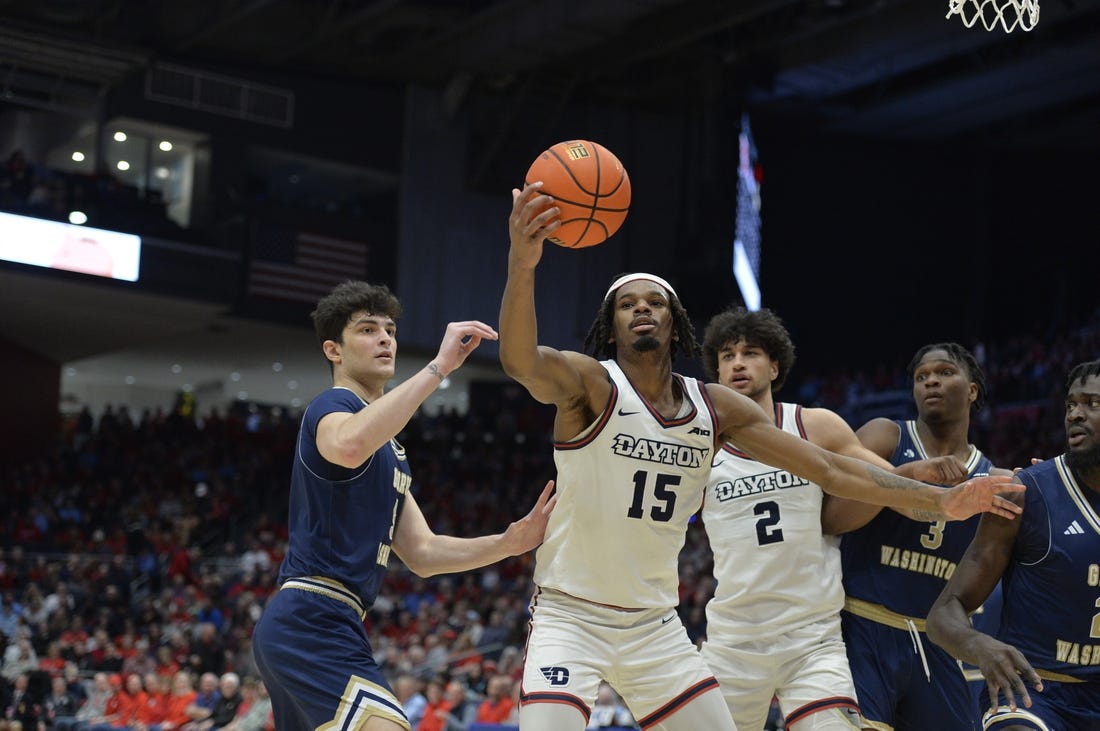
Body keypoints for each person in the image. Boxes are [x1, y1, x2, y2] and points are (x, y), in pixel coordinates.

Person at [502, 183, 1022, 731]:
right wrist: (523, 260)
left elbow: (832, 470)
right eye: (627, 306)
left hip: (661, 624)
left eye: (653, 302)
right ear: (610, 327)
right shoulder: (589, 382)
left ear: (676, 323)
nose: (641, 311)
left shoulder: (716, 409)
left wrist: (942, 500)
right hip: (578, 611)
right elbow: (519, 361)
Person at [251, 280, 556, 731]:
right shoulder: (333, 406)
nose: (385, 339)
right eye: (368, 330)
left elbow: (423, 554)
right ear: (334, 351)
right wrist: (440, 367)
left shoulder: (391, 449)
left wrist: (509, 543)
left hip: (335, 620)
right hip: (310, 616)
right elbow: (351, 444)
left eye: (390, 330)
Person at [696, 308, 975, 730]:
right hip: (734, 639)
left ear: (774, 366)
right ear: (716, 370)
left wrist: (941, 500)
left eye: (750, 353)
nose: (737, 363)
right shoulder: (700, 445)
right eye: (727, 355)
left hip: (813, 640)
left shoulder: (814, 426)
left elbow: (882, 487)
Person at [836, 343, 1013, 731]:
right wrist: (908, 475)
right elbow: (832, 518)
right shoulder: (886, 437)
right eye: (921, 377)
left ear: (972, 390)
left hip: (937, 644)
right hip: (864, 629)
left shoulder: (992, 477)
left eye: (945, 372)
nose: (931, 379)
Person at [927, 359, 1100, 731]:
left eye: (1092, 404)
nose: (1075, 415)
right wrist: (979, 646)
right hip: (1034, 693)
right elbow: (943, 613)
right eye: (1071, 404)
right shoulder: (1026, 493)